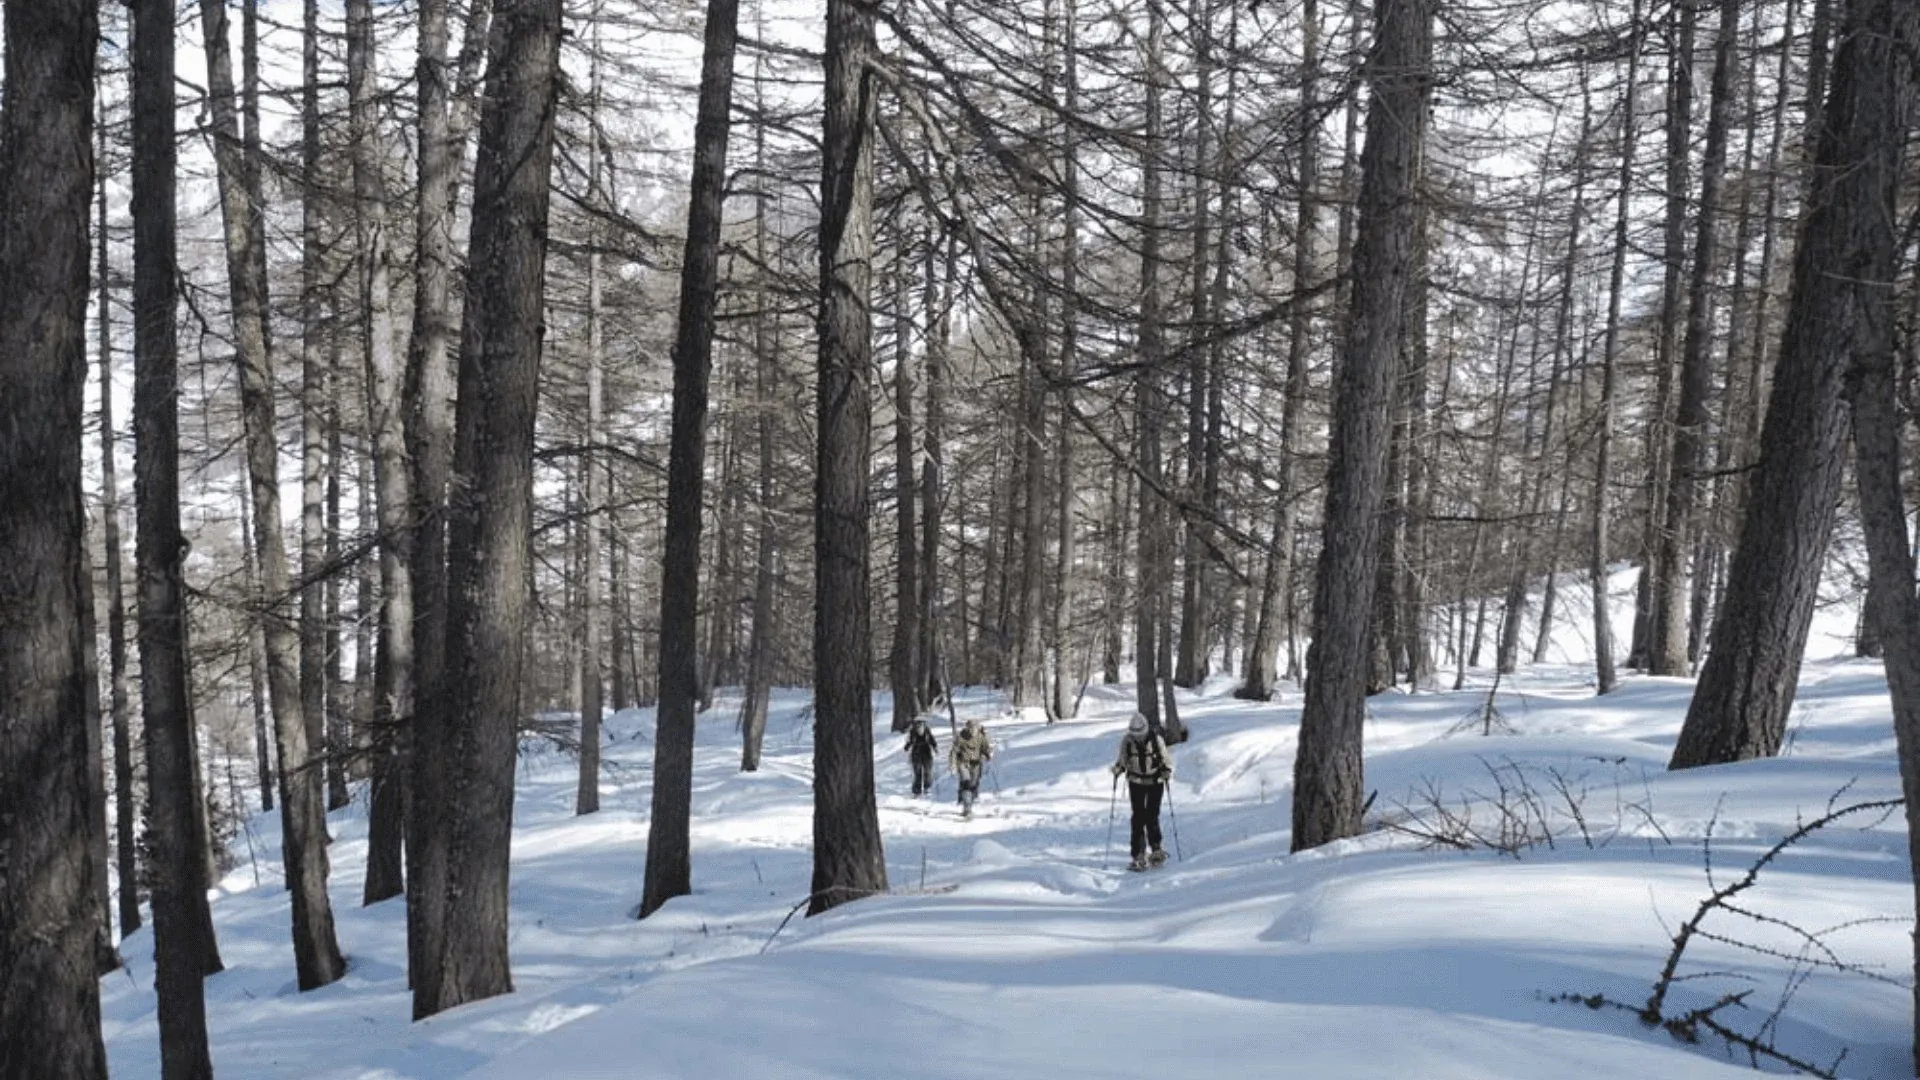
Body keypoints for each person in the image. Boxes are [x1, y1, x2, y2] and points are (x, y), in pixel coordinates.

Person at [1111, 712, 1172, 871]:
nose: (1138, 737)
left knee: (1152, 816)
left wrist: (1166, 771)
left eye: (1140, 733)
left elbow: (1166, 758)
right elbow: (1123, 759)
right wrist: (1118, 769)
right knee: (1138, 817)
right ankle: (1138, 853)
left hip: (1155, 781)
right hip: (1136, 782)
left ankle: (1156, 849)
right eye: (1135, 733)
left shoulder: (1156, 739)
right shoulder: (1127, 741)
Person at [948, 716, 993, 818]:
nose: (973, 730)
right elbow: (954, 752)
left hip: (976, 764)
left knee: (973, 785)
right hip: (963, 763)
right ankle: (967, 809)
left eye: (975, 728)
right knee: (966, 782)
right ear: (968, 728)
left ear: (978, 728)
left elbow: (985, 748)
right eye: (971, 728)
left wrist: (989, 755)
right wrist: (953, 764)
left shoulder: (981, 737)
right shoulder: (961, 737)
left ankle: (967, 800)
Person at [905, 717, 939, 796]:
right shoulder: (912, 732)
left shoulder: (927, 732)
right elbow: (909, 741)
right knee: (917, 773)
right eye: (918, 724)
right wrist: (907, 747)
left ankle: (927, 787)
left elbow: (932, 740)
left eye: (921, 724)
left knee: (927, 771)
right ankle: (917, 790)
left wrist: (935, 747)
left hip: (926, 753)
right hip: (916, 753)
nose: (919, 726)